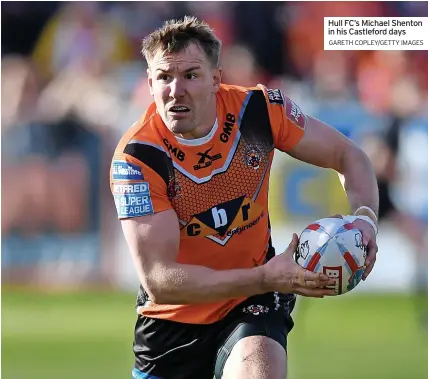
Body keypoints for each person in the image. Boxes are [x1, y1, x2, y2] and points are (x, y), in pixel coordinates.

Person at [110, 16, 379, 379]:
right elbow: (160, 280)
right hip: (172, 324)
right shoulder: (138, 158)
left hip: (253, 304)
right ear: (149, 82)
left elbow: (349, 156)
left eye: (191, 75)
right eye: (164, 77)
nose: (176, 90)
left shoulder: (259, 112)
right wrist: (266, 278)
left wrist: (365, 218)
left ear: (216, 79)